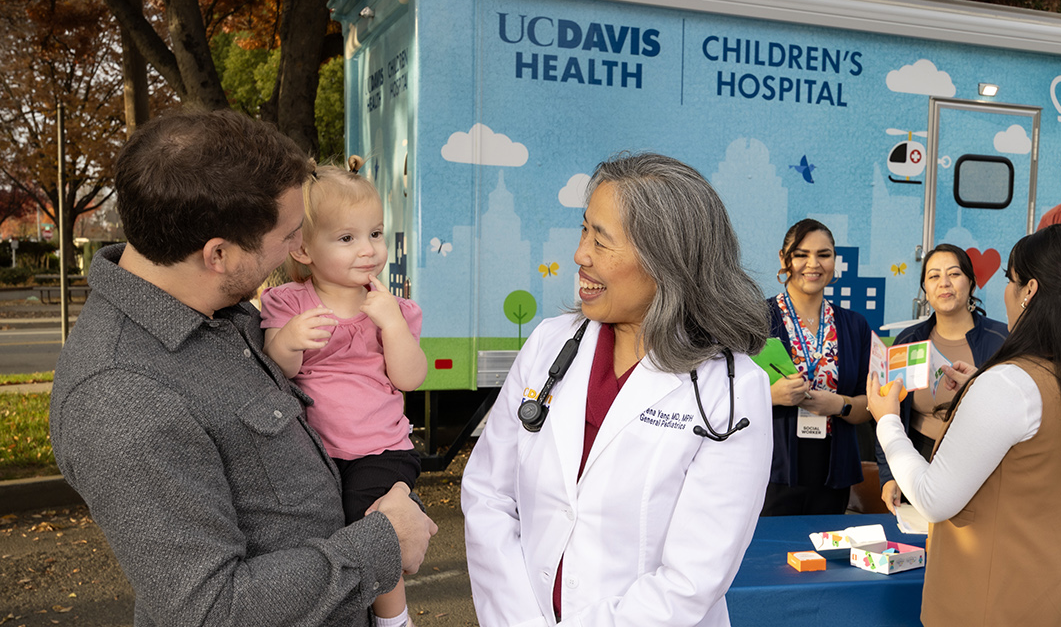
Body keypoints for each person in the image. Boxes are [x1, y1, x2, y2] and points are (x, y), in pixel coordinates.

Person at [48, 110, 437, 626]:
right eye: (288, 236)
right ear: (219, 254)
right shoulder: (122, 397)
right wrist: (383, 543)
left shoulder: (220, 311)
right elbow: (208, 611)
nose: (294, 251)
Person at [460, 152, 773, 626]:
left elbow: (692, 579)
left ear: (665, 261)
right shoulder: (550, 343)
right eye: (585, 230)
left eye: (601, 241)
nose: (580, 254)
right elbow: (488, 493)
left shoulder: (731, 392)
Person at [867, 224, 1061, 627]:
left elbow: (933, 498)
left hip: (990, 604)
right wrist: (975, 389)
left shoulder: (1007, 384)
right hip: (1053, 598)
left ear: (1030, 291)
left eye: (1010, 280)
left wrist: (888, 423)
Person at [260, 159, 427, 627]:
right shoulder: (289, 303)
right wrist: (289, 340)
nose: (368, 250)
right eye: (347, 238)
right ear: (304, 248)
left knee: (371, 520)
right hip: (316, 450)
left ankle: (395, 619)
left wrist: (391, 324)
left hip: (381, 448)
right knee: (320, 536)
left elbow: (410, 377)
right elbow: (276, 368)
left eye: (375, 233)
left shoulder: (392, 307)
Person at [876, 244, 1008, 512]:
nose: (944, 283)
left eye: (954, 274)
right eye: (934, 276)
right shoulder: (909, 341)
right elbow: (890, 415)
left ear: (971, 283)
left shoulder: (1002, 340)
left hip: (983, 463)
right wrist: (890, 476)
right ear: (925, 289)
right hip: (919, 458)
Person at [763, 219, 874, 516]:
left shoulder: (855, 326)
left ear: (834, 260)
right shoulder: (756, 320)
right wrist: (772, 396)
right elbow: (725, 396)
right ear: (783, 259)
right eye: (801, 254)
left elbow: (872, 404)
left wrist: (840, 404)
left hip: (832, 472)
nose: (813, 264)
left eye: (823, 255)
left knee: (826, 559)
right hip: (771, 471)